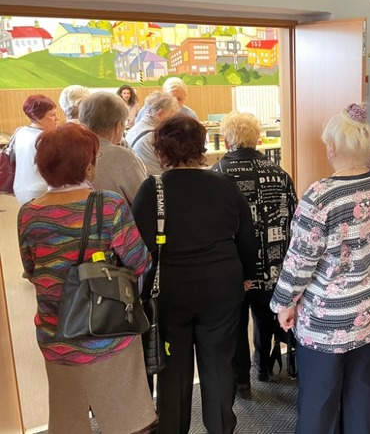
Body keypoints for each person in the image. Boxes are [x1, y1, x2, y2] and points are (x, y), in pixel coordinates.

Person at [270, 103, 370, 434]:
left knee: (320, 398)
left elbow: (299, 262)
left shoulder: (320, 196)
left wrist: (284, 304)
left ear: (331, 147)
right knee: (365, 392)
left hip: (328, 320)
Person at [17, 123, 157, 434]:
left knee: (68, 420)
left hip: (57, 332)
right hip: (109, 329)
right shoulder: (109, 205)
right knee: (126, 420)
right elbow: (140, 262)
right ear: (88, 165)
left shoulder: (29, 213)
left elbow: (31, 269)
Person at [131, 115, 257, 434]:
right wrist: (247, 275)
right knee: (219, 365)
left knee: (173, 370)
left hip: (171, 292)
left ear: (161, 149)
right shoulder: (225, 184)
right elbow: (247, 237)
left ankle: (173, 428)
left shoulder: (153, 189)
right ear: (201, 146)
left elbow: (138, 248)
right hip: (222, 288)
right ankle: (221, 427)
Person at [212, 112, 298, 398]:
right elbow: (294, 219)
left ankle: (242, 381)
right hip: (273, 263)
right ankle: (264, 366)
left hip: (234, 265)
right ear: (257, 138)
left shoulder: (217, 174)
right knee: (265, 315)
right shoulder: (279, 173)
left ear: (226, 139)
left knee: (236, 322)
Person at [79, 92, 147, 205]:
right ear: (118, 126)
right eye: (125, 122)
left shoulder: (69, 150)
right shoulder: (124, 157)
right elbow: (145, 202)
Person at [13, 94, 60, 204]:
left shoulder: (20, 131)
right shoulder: (44, 139)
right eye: (52, 115)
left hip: (20, 188)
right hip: (41, 191)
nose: (57, 118)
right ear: (38, 118)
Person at [126, 91, 179, 175]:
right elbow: (171, 170)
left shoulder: (132, 130)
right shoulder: (155, 137)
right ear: (160, 114)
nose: (170, 122)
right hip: (156, 180)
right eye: (170, 117)